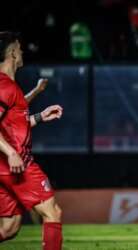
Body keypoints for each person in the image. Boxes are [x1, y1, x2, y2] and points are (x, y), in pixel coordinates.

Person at [0, 31, 63, 250]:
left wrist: (39, 116)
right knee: (52, 212)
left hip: (5, 167)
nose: (23, 50)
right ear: (13, 52)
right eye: (19, 47)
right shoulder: (4, 85)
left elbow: (13, 123)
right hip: (17, 165)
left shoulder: (8, 85)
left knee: (9, 229)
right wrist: (11, 153)